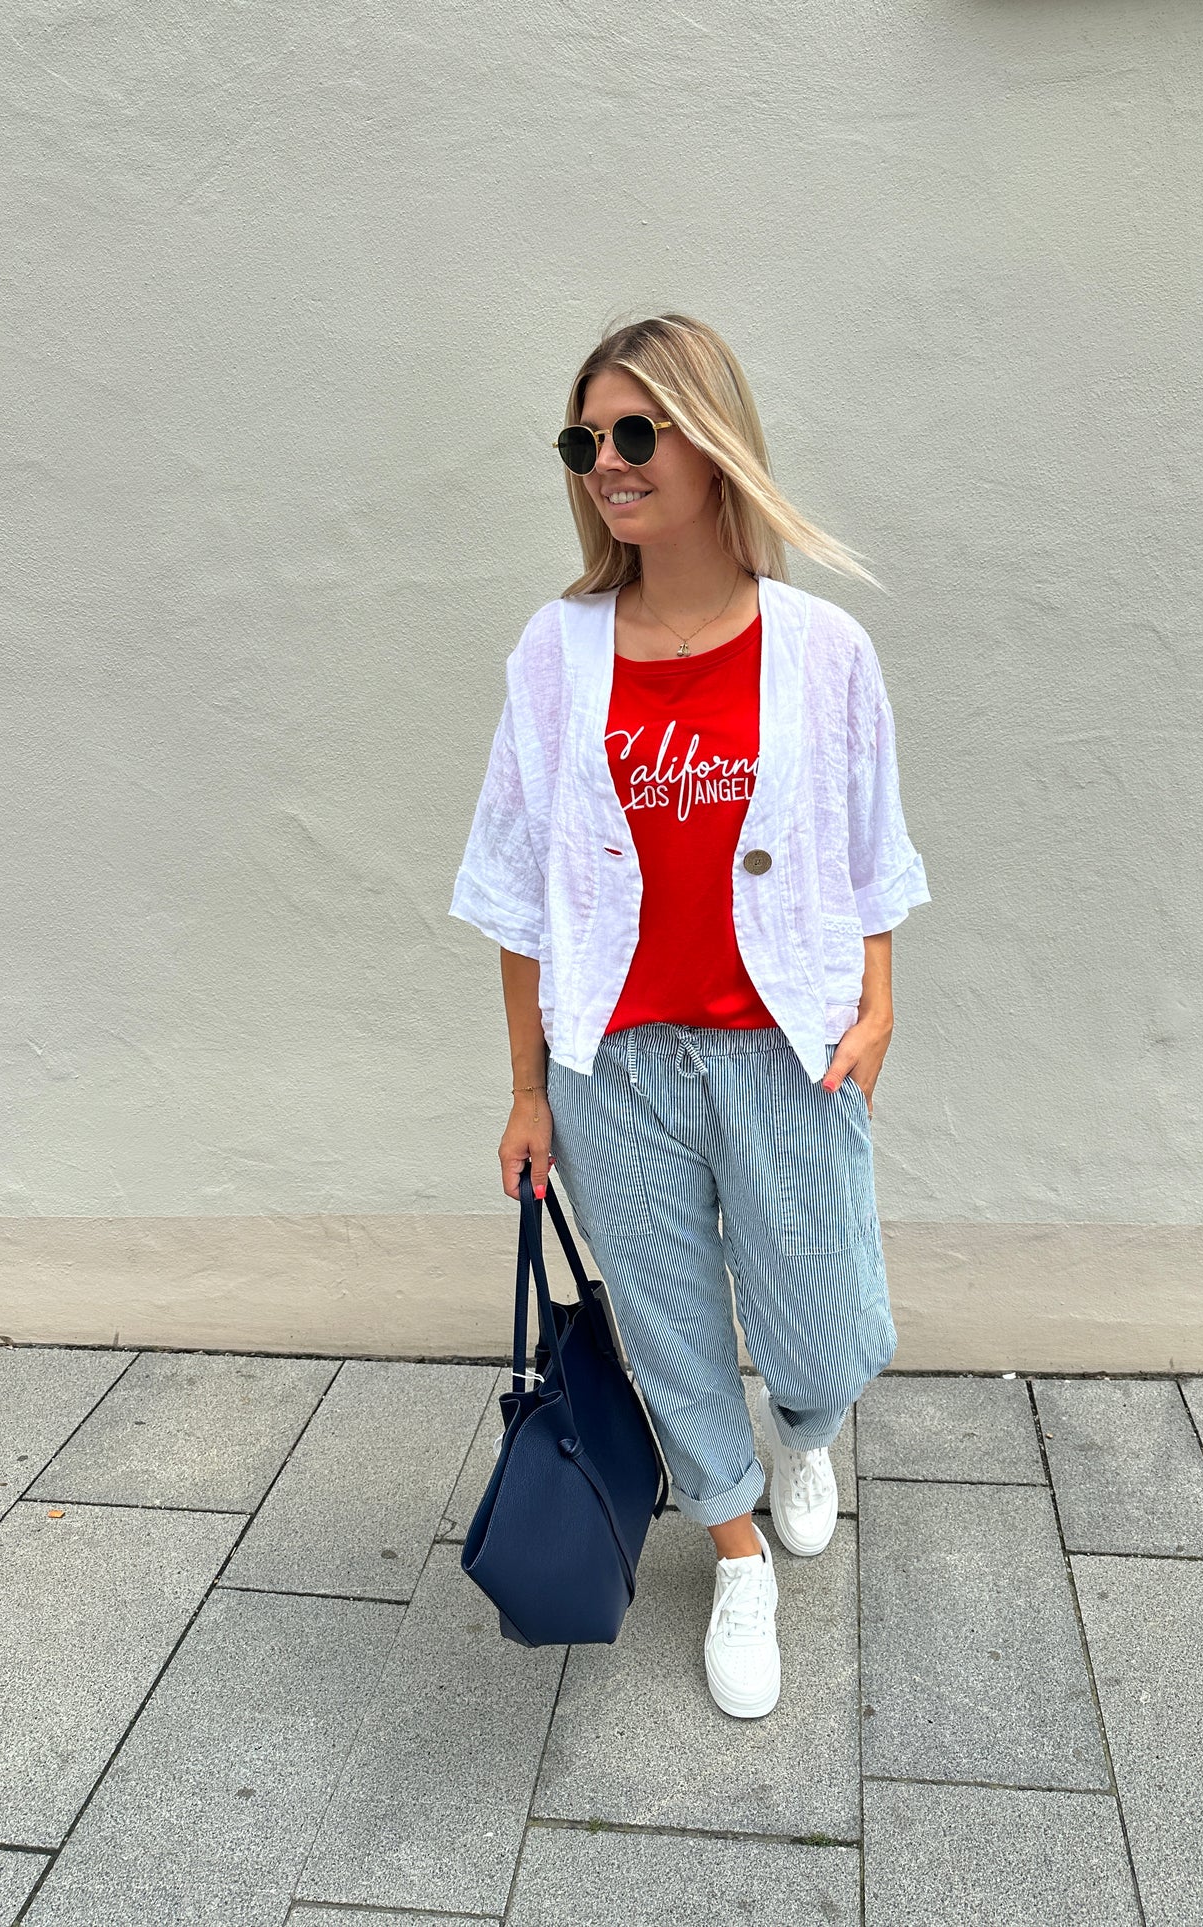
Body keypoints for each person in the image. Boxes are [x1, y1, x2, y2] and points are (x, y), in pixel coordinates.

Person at [449, 312, 930, 1719]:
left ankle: (802, 1434)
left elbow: (866, 849)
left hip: (784, 1051)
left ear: (712, 444)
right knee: (666, 1326)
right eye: (582, 440)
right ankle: (734, 1550)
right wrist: (528, 1090)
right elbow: (518, 890)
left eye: (634, 432)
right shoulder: (555, 651)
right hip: (614, 1065)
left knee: (831, 1327)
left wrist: (878, 1006)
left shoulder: (821, 649)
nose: (605, 461)